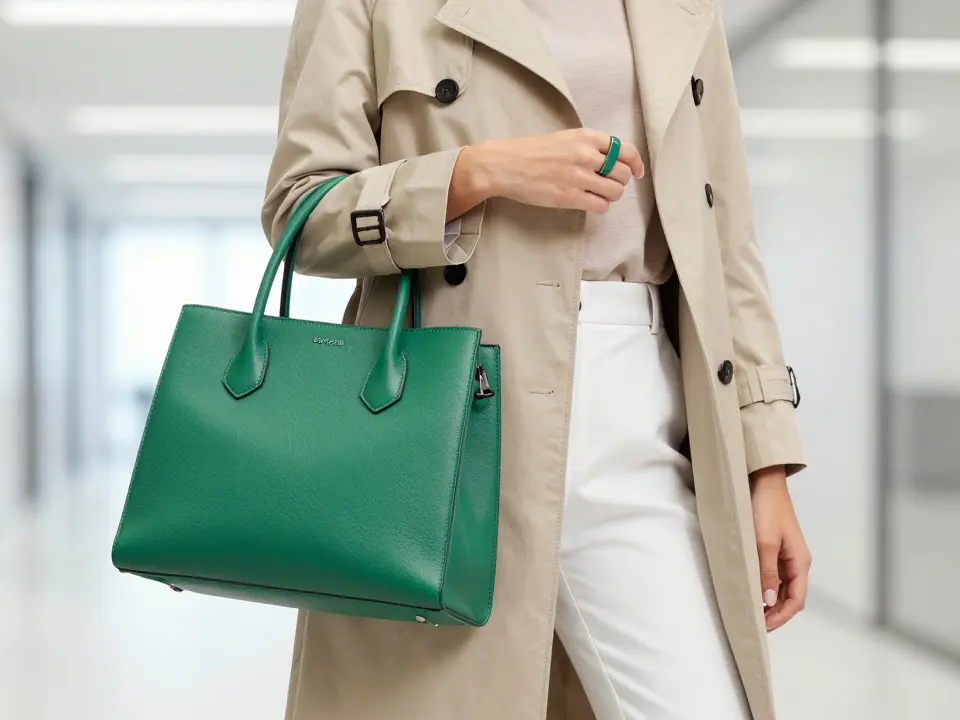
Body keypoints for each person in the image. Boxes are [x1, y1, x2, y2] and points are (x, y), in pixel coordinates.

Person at [261, 1, 810, 719]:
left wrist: (765, 462)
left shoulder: (681, 9)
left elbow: (726, 240)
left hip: (643, 400)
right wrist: (476, 171)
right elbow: (301, 212)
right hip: (446, 415)